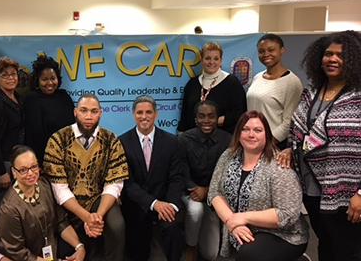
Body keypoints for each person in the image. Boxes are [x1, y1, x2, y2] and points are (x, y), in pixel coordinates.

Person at [288, 30, 361, 261]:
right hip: (311, 187)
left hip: (346, 193)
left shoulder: (358, 97)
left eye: (341, 55)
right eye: (328, 54)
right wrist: (290, 149)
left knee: (347, 250)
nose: (333, 59)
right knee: (325, 244)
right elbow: (301, 134)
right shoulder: (310, 93)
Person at [208, 111, 309, 261]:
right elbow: (214, 192)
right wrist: (232, 222)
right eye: (245, 129)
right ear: (238, 133)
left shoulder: (279, 165)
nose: (251, 134)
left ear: (267, 135)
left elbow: (287, 214)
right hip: (241, 226)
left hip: (283, 234)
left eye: (258, 130)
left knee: (249, 255)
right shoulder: (229, 156)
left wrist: (242, 217)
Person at [43, 93, 129, 261]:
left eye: (94, 111)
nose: (88, 116)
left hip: (98, 200)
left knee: (117, 225)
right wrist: (86, 217)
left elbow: (114, 183)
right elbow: (59, 188)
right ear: (75, 112)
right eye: (84, 110)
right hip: (65, 204)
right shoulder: (57, 140)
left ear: (100, 113)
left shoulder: (111, 140)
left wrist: (98, 216)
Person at [119, 95, 184, 261]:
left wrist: (171, 205)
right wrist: (153, 204)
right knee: (138, 252)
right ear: (133, 114)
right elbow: (128, 182)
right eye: (139, 112)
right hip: (137, 205)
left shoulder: (172, 141)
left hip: (166, 201)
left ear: (156, 114)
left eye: (148, 112)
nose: (144, 116)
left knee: (173, 228)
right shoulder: (122, 143)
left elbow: (176, 178)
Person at [0, 145, 85, 261]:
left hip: (50, 250)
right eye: (23, 170)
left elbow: (60, 221)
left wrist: (80, 247)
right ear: (14, 172)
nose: (31, 173)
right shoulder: (9, 208)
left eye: (34, 167)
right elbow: (18, 252)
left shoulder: (44, 185)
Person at [178, 100, 232, 261]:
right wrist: (195, 188)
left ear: (217, 118)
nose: (206, 121)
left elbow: (228, 173)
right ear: (195, 119)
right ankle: (190, 245)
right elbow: (180, 171)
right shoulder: (184, 139)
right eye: (201, 116)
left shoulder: (228, 140)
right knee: (196, 211)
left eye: (211, 116)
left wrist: (207, 190)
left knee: (210, 255)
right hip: (190, 193)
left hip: (215, 195)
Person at [246, 34, 303, 149]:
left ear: (282, 50)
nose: (266, 54)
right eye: (261, 51)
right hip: (252, 142)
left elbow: (288, 123)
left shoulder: (292, 82)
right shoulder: (257, 77)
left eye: (271, 50)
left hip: (273, 145)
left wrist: (266, 143)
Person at [178, 42, 246, 134]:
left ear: (221, 61)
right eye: (207, 58)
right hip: (195, 140)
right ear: (201, 60)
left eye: (216, 59)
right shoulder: (192, 84)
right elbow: (185, 114)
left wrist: (216, 121)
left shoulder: (232, 82)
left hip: (223, 139)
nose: (211, 62)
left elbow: (240, 112)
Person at [0, 57, 24, 207]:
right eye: (4, 75)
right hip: (4, 163)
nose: (10, 78)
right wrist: (2, 172)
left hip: (14, 159)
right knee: (4, 206)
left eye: (13, 74)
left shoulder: (16, 97)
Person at [24, 54, 75, 163]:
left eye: (53, 78)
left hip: (66, 158)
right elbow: (34, 135)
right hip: (43, 159)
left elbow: (73, 129)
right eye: (44, 79)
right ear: (37, 80)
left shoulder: (64, 97)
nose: (50, 83)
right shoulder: (31, 99)